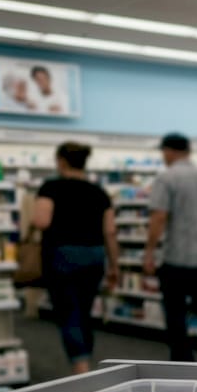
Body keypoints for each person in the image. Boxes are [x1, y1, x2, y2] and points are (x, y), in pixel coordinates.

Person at [32, 142, 119, 374]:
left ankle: (81, 368)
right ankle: (86, 360)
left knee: (68, 312)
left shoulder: (51, 187)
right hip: (93, 256)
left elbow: (41, 221)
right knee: (84, 312)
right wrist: (114, 266)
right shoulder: (98, 192)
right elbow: (110, 231)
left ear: (61, 161)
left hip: (62, 255)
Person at [143, 132, 197, 362]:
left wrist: (149, 252)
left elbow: (158, 217)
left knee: (175, 315)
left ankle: (183, 363)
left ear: (169, 151)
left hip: (177, 259)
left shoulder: (166, 178)